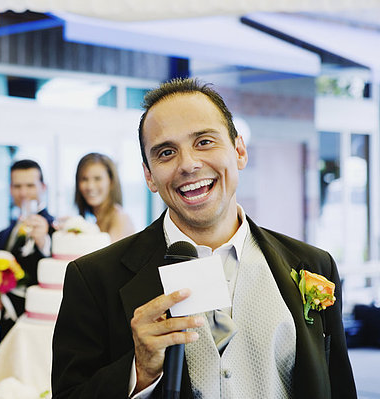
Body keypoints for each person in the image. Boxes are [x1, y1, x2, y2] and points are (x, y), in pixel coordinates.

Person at [52, 78, 356, 398]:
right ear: (149, 176)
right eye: (166, 152)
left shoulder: (313, 265)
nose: (189, 164)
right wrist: (139, 372)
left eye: (204, 142)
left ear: (239, 151)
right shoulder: (93, 278)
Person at [0, 159, 55, 340]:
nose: (23, 193)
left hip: (39, 327)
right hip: (7, 325)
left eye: (30, 186)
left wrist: (43, 242)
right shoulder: (2, 234)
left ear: (43, 187)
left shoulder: (56, 228)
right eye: (17, 186)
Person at [75, 152, 135, 242]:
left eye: (97, 178)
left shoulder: (120, 218)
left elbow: (111, 255)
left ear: (111, 182)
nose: (90, 186)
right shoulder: (96, 222)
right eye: (84, 179)